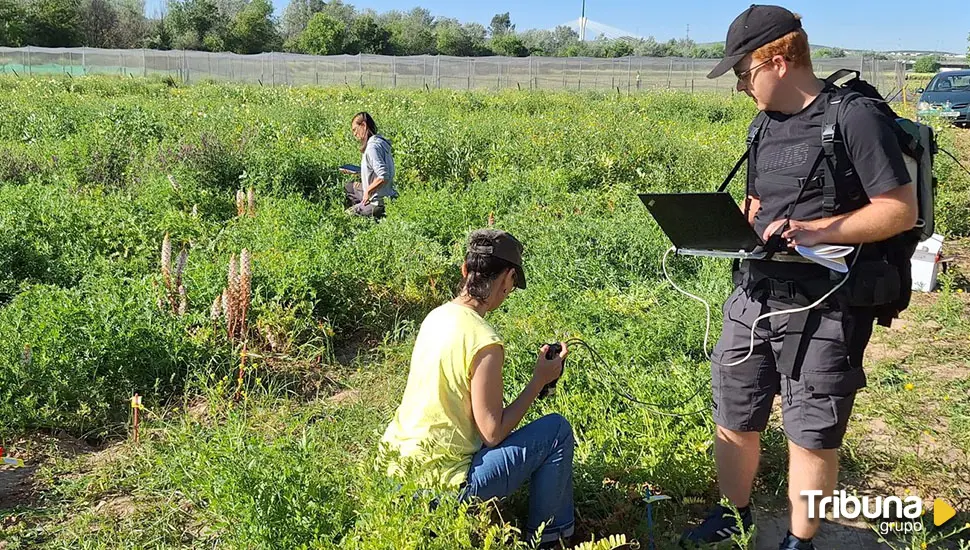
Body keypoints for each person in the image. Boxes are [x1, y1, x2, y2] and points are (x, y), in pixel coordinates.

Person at [681, 5, 917, 550]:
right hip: (754, 292)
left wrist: (817, 230)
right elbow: (759, 201)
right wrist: (735, 225)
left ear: (779, 61)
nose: (739, 86)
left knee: (812, 430)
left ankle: (799, 540)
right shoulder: (762, 126)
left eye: (742, 73)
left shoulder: (854, 117)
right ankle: (734, 515)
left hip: (827, 303)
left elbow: (899, 210)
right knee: (736, 412)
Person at [381, 229, 575, 548]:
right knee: (557, 431)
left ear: (465, 270)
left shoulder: (435, 317)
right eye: (512, 284)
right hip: (441, 489)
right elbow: (492, 433)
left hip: (393, 475)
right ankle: (551, 539)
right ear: (508, 278)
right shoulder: (485, 341)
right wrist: (540, 380)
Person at [341, 112, 397, 218]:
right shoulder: (380, 142)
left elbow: (383, 176)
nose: (354, 134)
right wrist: (358, 172)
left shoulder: (372, 147)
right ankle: (361, 207)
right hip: (386, 193)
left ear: (363, 125)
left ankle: (367, 213)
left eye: (355, 129)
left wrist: (368, 191)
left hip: (378, 201)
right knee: (349, 186)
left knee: (346, 216)